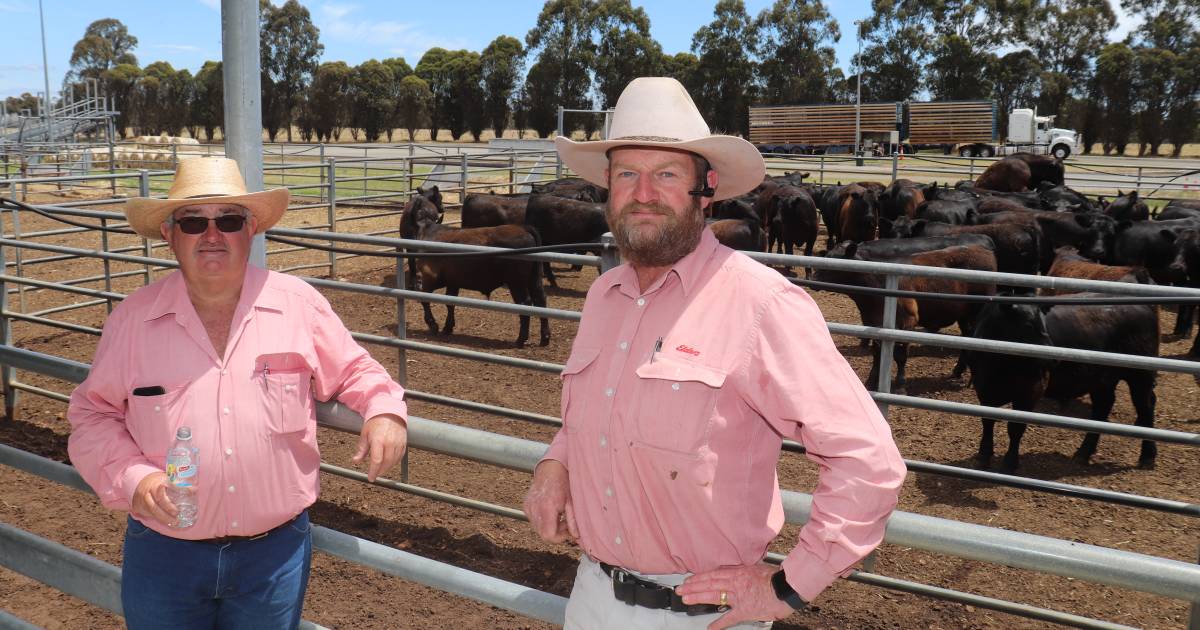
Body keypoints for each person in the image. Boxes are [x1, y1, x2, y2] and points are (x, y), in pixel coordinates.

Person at [523, 77, 907, 629]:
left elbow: (868, 462)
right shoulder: (605, 296)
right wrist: (556, 463)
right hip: (592, 595)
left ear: (706, 188)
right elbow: (596, 410)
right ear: (608, 187)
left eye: (667, 174)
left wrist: (788, 587)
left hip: (702, 612)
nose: (644, 192)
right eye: (628, 173)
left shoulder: (761, 303)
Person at [67, 156, 409, 629]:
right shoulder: (132, 320)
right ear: (169, 233)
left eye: (228, 219)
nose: (212, 235)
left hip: (273, 555)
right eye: (193, 221)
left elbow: (355, 369)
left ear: (250, 229)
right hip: (165, 551)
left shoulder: (297, 304)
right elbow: (92, 415)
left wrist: (384, 410)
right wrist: (133, 478)